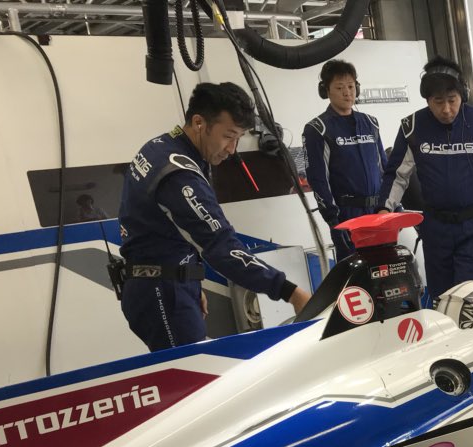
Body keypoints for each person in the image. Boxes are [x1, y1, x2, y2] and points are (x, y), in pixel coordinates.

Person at [118, 82, 310, 352]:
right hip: (162, 291)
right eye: (228, 136)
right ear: (199, 123)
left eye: (238, 138)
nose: (232, 149)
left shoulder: (161, 146)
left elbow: (170, 228)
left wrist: (191, 279)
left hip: (164, 282)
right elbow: (222, 247)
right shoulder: (179, 176)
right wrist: (291, 292)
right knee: (194, 372)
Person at [377, 56, 473, 301]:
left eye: (452, 100)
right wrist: (383, 211)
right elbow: (396, 174)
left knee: (470, 299)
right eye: (438, 101)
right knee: (441, 299)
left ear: (463, 95)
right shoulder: (412, 127)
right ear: (427, 100)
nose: (446, 109)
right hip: (435, 229)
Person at [302, 59, 389, 260]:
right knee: (356, 273)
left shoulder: (370, 123)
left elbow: (384, 167)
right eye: (340, 87)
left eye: (350, 86)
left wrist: (391, 205)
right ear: (326, 91)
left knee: (385, 270)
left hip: (378, 212)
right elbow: (318, 179)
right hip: (347, 216)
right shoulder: (317, 128)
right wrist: (333, 219)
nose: (347, 93)